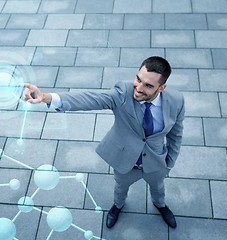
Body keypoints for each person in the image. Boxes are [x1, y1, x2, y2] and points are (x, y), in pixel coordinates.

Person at [21, 56, 185, 229]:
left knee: (158, 188)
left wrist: (170, 162)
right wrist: (46, 97)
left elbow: (176, 134)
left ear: (161, 87)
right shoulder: (123, 93)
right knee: (120, 188)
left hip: (156, 161)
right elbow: (90, 98)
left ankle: (160, 205)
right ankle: (118, 206)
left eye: (148, 85)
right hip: (125, 161)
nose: (138, 88)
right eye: (138, 79)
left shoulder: (176, 101)